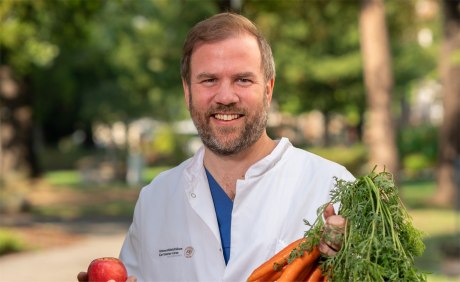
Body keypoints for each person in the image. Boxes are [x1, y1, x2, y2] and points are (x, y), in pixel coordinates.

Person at [78, 12, 353, 282]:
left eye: (242, 80)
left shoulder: (330, 186)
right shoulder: (155, 200)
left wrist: (351, 261)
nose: (225, 97)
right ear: (188, 92)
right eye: (209, 80)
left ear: (268, 90)